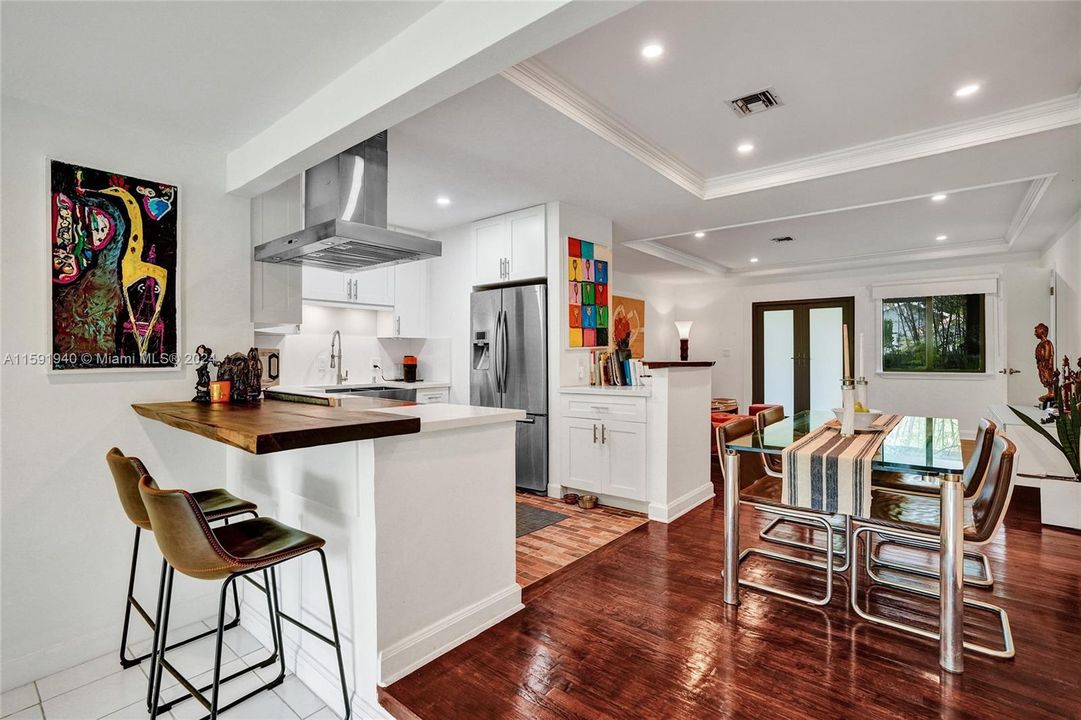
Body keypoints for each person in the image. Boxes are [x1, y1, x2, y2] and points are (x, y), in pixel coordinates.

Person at [1035, 323, 1056, 406]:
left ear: (1042, 332)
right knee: (1043, 378)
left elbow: (1049, 354)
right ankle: (1049, 392)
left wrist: (1048, 363)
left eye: (1036, 331)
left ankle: (1052, 392)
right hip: (1041, 364)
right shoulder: (1041, 343)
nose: (1035, 333)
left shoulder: (1047, 343)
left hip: (1045, 364)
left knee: (1048, 378)